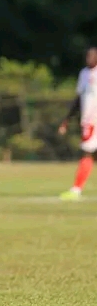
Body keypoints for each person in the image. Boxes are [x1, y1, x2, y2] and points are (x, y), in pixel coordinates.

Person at [58, 47, 97, 200]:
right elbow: (79, 99)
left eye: (92, 56)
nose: (89, 59)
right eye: (87, 56)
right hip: (87, 121)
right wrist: (67, 119)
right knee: (88, 153)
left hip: (94, 121)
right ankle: (76, 189)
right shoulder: (84, 74)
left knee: (87, 153)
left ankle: (76, 190)